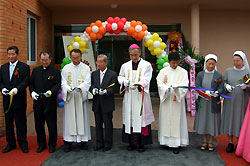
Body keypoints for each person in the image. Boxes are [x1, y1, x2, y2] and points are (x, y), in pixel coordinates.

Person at [118, 44, 154, 152]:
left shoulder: (146, 65)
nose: (133, 57)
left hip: (140, 95)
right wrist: (124, 82)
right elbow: (120, 76)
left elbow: (147, 79)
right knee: (130, 119)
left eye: (135, 55)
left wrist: (138, 84)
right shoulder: (125, 65)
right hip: (129, 96)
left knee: (141, 119)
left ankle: (141, 143)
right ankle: (131, 143)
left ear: (139, 53)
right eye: (131, 55)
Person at [156, 52, 189, 154]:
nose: (175, 65)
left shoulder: (183, 72)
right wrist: (167, 88)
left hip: (176, 100)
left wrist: (177, 88)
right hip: (167, 99)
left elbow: (185, 84)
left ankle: (176, 144)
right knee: (166, 120)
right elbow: (159, 83)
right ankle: (165, 142)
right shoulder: (163, 71)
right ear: (169, 62)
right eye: (173, 63)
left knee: (177, 120)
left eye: (176, 63)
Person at [29, 51, 61, 153]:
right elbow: (31, 84)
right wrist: (32, 92)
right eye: (42, 60)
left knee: (51, 125)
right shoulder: (35, 71)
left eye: (46, 60)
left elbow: (57, 85)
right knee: (38, 125)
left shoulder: (55, 72)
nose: (44, 62)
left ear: (50, 60)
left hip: (49, 102)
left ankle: (52, 144)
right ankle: (41, 144)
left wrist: (51, 92)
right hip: (38, 102)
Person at [0, 46, 30, 153]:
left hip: (19, 99)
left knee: (20, 122)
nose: (10, 56)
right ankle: (10, 143)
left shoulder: (24, 67)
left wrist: (17, 89)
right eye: (9, 54)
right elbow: (1, 81)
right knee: (8, 122)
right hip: (7, 100)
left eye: (13, 54)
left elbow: (25, 81)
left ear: (17, 54)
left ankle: (23, 143)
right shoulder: (3, 67)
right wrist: (2, 89)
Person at [61, 49, 91, 152]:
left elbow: (87, 82)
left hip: (80, 96)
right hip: (70, 97)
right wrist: (67, 88)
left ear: (81, 57)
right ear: (70, 57)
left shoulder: (86, 68)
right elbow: (63, 82)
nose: (75, 59)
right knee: (70, 119)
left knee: (82, 118)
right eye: (73, 57)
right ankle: (68, 142)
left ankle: (83, 141)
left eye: (77, 57)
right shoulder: (66, 68)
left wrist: (81, 87)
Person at [221, 50, 250, 153]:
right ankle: (230, 142)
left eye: (238, 61)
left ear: (243, 61)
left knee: (239, 120)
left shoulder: (247, 72)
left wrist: (246, 87)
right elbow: (223, 83)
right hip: (230, 99)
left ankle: (239, 142)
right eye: (234, 61)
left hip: (242, 100)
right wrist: (226, 86)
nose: (236, 63)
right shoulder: (228, 71)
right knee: (230, 119)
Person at [194, 54, 223, 151]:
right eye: (209, 64)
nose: (211, 66)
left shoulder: (218, 75)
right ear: (205, 63)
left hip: (213, 102)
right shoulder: (200, 74)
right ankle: (204, 141)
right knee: (204, 121)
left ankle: (211, 141)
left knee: (212, 121)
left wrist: (218, 92)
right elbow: (197, 86)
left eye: (213, 64)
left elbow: (221, 86)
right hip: (203, 101)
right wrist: (204, 92)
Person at [90, 54, 117, 152]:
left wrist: (106, 91)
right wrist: (93, 90)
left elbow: (114, 88)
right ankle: (99, 142)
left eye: (101, 62)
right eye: (97, 62)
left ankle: (108, 143)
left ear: (106, 62)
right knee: (98, 124)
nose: (98, 64)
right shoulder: (94, 74)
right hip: (97, 103)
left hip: (107, 103)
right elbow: (91, 85)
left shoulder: (112, 74)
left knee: (108, 124)